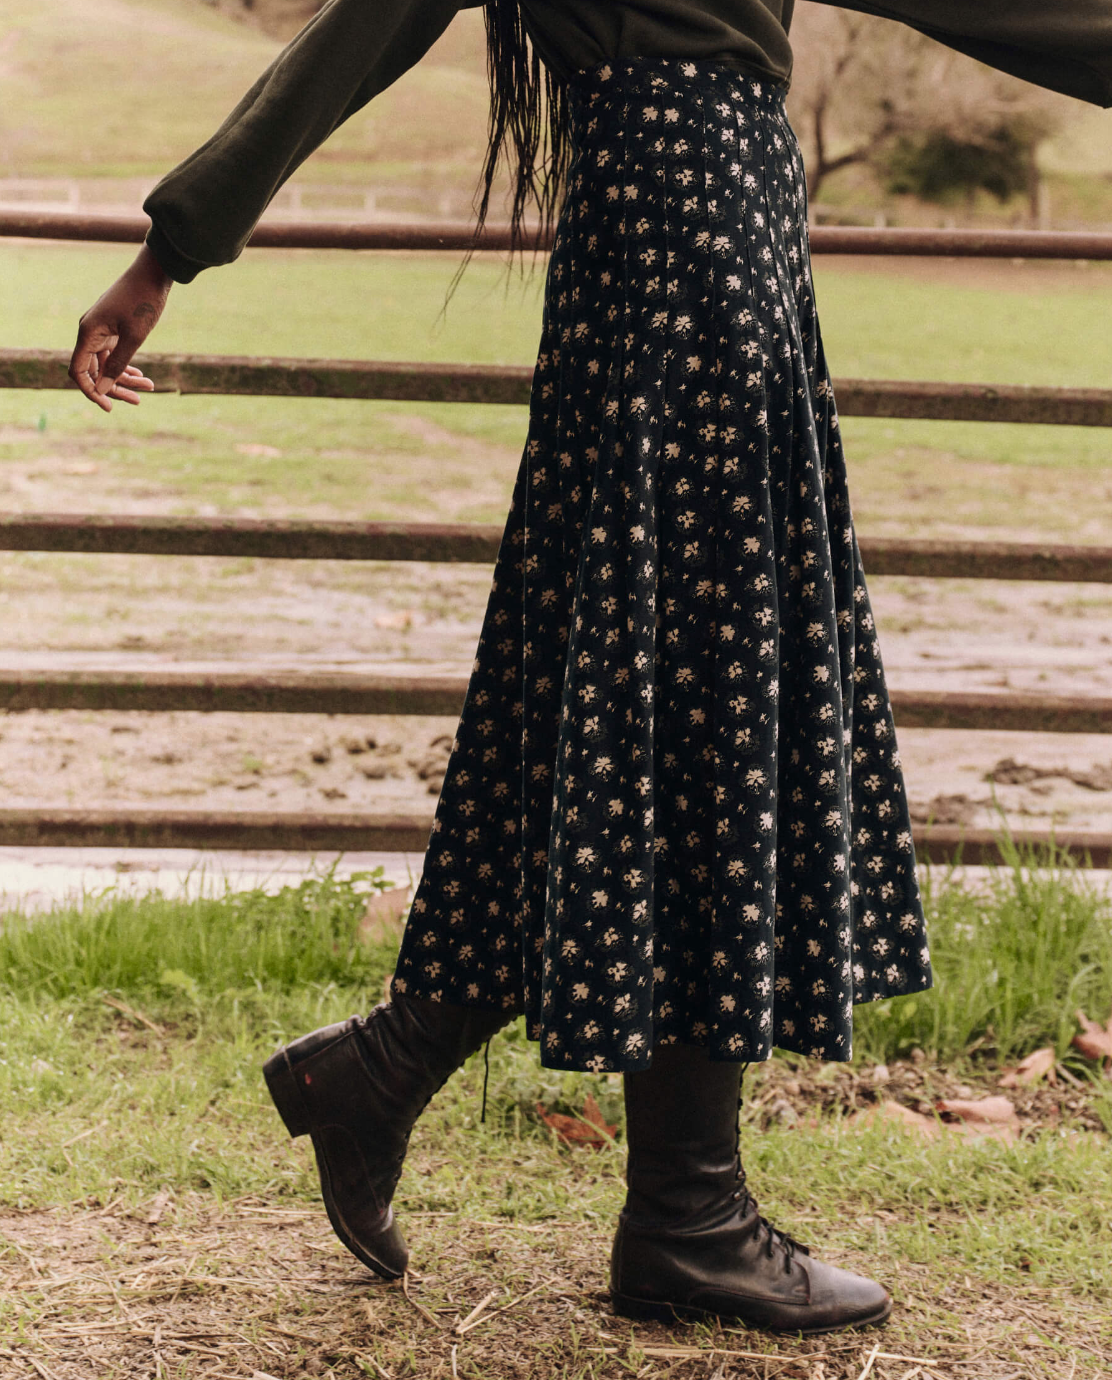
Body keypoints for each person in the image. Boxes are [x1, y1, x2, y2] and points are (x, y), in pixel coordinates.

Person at [68, 0, 1112, 1336]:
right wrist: (175, 244)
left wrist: (174, 243)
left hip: (681, 233)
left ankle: (391, 1079)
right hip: (697, 244)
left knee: (618, 702)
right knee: (692, 702)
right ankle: (684, 1215)